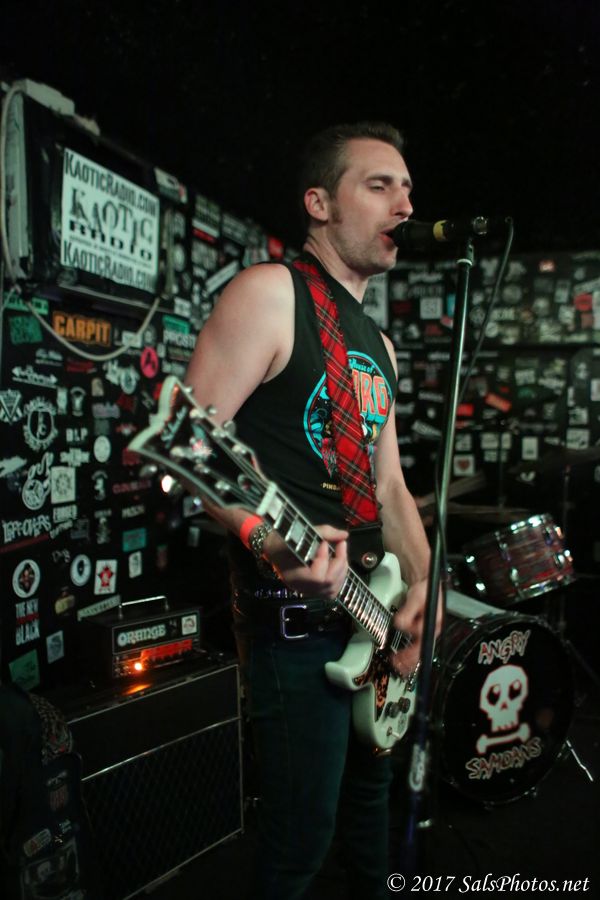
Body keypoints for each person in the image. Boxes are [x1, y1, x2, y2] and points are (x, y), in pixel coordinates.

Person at [185, 121, 441, 900]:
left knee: (370, 824)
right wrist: (267, 539)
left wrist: (423, 588)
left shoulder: (378, 345)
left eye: (407, 188)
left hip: (372, 611)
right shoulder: (269, 294)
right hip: (294, 624)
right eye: (379, 185)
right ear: (319, 203)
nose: (405, 205)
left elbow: (389, 488)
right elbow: (193, 452)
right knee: (300, 844)